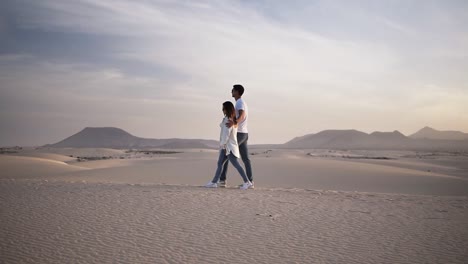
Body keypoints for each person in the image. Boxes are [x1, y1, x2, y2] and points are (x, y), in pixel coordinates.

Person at [204, 101, 253, 190]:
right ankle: (214, 182)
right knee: (220, 163)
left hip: (228, 147)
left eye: (223, 108)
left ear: (227, 109)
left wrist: (223, 146)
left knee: (236, 165)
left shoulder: (229, 121)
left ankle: (247, 182)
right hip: (227, 147)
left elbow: (226, 135)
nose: (222, 110)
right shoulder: (230, 120)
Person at [219, 84, 253, 188]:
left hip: (239, 133)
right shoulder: (242, 103)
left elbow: (242, 115)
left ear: (237, 92)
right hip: (244, 133)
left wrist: (235, 122)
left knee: (225, 154)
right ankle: (250, 182)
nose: (231, 92)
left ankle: (222, 180)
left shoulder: (239, 103)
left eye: (233, 90)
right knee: (246, 159)